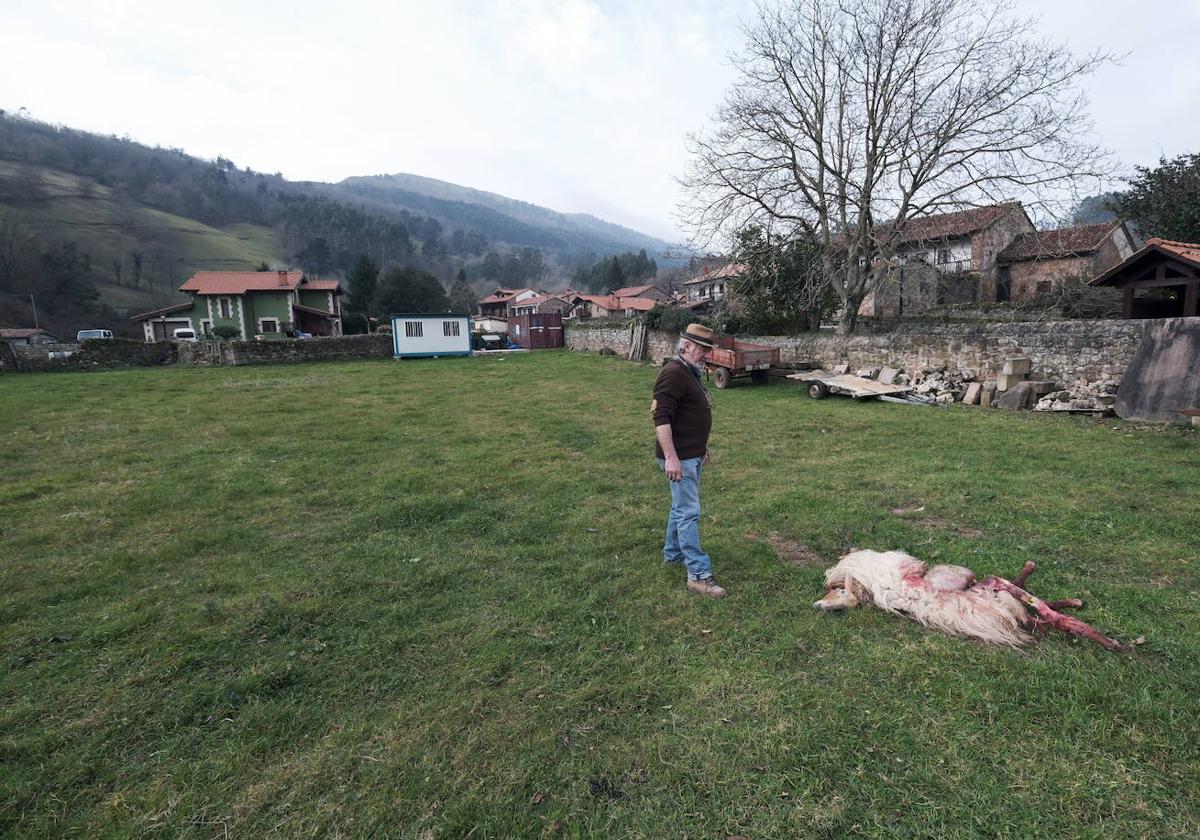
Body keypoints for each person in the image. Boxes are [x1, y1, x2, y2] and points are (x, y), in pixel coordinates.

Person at [651, 323, 727, 598]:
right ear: (685, 346)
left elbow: (691, 414)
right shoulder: (672, 374)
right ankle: (698, 575)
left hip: (690, 454)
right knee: (688, 512)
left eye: (708, 349)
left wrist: (700, 447)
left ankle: (673, 555)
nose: (706, 354)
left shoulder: (689, 371)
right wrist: (672, 458)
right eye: (702, 349)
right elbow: (661, 420)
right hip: (679, 459)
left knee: (679, 508)